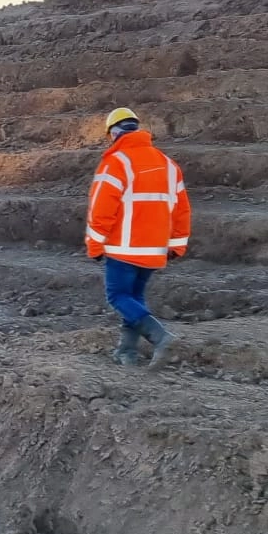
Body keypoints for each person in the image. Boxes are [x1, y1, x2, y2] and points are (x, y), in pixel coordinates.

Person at [85, 108, 191, 366]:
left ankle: (161, 337)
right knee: (134, 298)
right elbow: (182, 208)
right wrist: (177, 245)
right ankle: (127, 352)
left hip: (123, 249)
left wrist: (95, 245)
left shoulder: (116, 162)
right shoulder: (168, 164)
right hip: (155, 250)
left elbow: (101, 209)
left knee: (118, 297)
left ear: (114, 133)